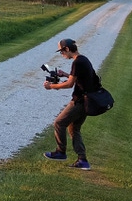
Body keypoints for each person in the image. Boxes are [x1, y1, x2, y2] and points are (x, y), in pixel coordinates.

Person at [42, 38, 100, 171]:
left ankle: (60, 152)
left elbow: (70, 84)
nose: (62, 54)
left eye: (61, 51)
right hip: (87, 100)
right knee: (74, 129)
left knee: (58, 123)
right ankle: (82, 160)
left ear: (67, 49)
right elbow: (80, 78)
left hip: (79, 101)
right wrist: (66, 74)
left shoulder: (77, 62)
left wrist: (52, 86)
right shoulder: (83, 59)